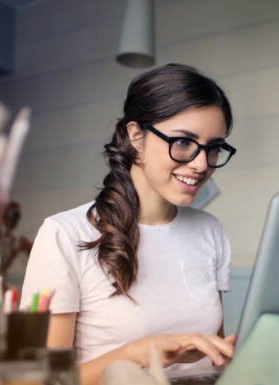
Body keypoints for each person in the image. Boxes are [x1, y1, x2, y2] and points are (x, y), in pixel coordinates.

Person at [21, 64, 238, 385]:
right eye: (183, 142)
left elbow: (214, 358)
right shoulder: (64, 234)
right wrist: (138, 353)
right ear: (136, 135)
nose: (202, 163)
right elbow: (41, 380)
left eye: (214, 148)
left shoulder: (210, 230)